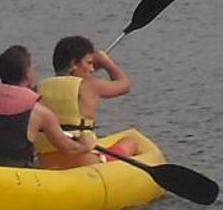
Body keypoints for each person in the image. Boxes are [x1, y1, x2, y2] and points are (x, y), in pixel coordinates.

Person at [0, 44, 94, 168]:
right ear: (27, 73)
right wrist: (86, 146)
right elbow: (68, 148)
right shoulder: (40, 111)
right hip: (14, 175)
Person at [32, 35, 150, 169]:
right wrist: (106, 63)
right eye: (89, 63)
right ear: (73, 64)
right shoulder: (89, 86)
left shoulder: (37, 89)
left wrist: (89, 64)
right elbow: (124, 85)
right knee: (131, 142)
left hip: (46, 162)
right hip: (85, 162)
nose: (92, 69)